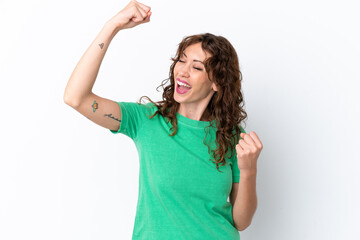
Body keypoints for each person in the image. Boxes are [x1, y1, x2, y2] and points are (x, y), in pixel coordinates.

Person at [64, 0, 263, 239]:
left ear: (217, 82)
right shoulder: (146, 121)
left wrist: (249, 170)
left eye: (197, 67)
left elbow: (241, 221)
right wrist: (112, 26)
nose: (182, 71)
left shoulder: (232, 136)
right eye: (181, 60)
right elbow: (76, 97)